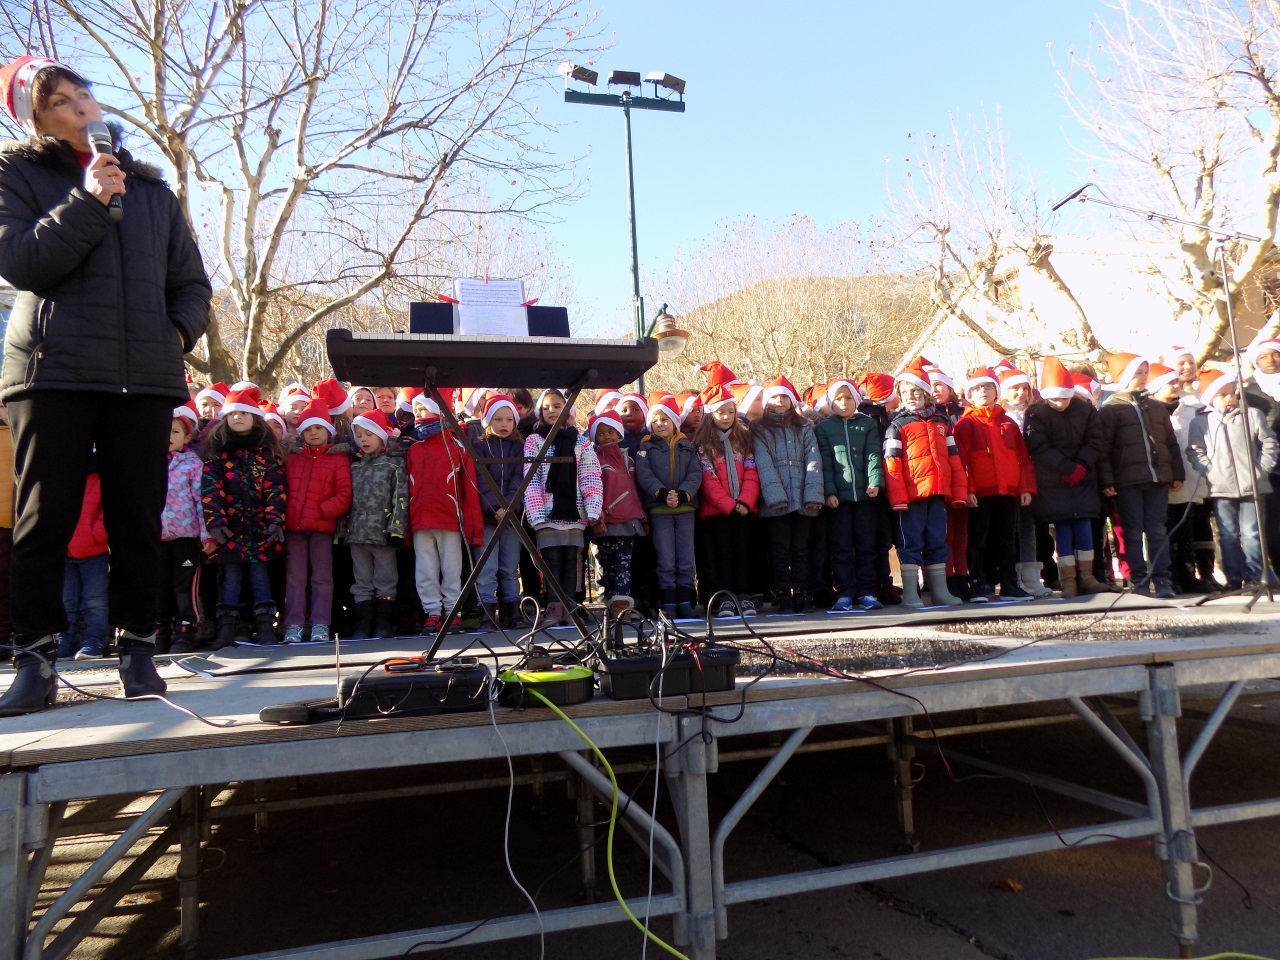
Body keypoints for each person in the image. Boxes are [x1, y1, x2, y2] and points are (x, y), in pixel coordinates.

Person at [0, 56, 212, 714]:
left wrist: (174, 336)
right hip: (52, 371)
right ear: (33, 119)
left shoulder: (151, 189)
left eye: (82, 95)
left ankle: (139, 653)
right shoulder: (17, 174)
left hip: (142, 379)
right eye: (58, 102)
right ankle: (36, 661)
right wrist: (90, 200)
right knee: (44, 519)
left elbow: (193, 285)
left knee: (137, 520)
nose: (79, 108)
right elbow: (23, 260)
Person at [201, 387, 286, 648]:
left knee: (261, 578)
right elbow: (210, 490)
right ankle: (226, 629)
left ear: (255, 418)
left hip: (259, 531)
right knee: (230, 579)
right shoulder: (216, 457)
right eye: (232, 414)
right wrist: (215, 522)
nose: (237, 417)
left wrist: (275, 520)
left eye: (243, 413)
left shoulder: (268, 456)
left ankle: (264, 628)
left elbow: (276, 488)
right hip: (230, 532)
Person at [1024, 357, 1114, 598]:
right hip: (1054, 481)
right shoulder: (1036, 414)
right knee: (1063, 528)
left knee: (1084, 526)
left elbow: (1095, 440)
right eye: (1054, 398)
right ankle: (1069, 580)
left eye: (1064, 398)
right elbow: (1038, 446)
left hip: (1083, 478)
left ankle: (1087, 576)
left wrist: (1081, 465)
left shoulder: (1085, 410)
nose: (1060, 403)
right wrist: (1064, 467)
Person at [884, 358, 968, 609]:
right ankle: (911, 592)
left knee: (937, 539)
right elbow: (892, 463)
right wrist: (898, 497)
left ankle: (940, 591)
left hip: (938, 493)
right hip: (911, 497)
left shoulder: (943, 424)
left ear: (927, 394)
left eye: (916, 392)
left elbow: (954, 459)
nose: (911, 396)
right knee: (910, 540)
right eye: (905, 392)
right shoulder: (897, 426)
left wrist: (959, 492)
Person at [1097, 352, 1183, 598]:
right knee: (1133, 532)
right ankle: (1139, 579)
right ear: (1124, 376)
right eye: (1137, 373)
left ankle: (1162, 579)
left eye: (1145, 373)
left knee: (1157, 529)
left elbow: (1170, 442)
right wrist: (1108, 480)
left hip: (1157, 478)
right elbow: (1104, 449)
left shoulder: (1156, 407)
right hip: (1127, 481)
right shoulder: (1112, 408)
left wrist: (1176, 472)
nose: (1143, 377)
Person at [1187, 369, 1280, 591]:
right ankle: (1234, 578)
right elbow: (1194, 450)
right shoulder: (1201, 422)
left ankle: (1255, 576)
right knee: (1228, 535)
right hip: (1221, 488)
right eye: (1223, 394)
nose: (1230, 398)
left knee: (1252, 532)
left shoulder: (1252, 415)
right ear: (1210, 397)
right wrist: (1209, 471)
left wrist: (1262, 469)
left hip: (1253, 486)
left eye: (1232, 393)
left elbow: (1269, 442)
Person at [954, 367, 1037, 599]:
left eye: (988, 387)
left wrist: (1025, 487)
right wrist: (967, 489)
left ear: (996, 391)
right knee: (978, 538)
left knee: (1007, 539)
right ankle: (979, 582)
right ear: (970, 393)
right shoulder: (965, 424)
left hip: (1007, 491)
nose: (983, 391)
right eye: (978, 388)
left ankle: (1010, 584)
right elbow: (961, 461)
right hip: (980, 491)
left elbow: (1022, 458)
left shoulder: (1008, 423)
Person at [406, 388, 483, 634]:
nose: (417, 412)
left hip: (451, 520)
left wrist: (472, 526)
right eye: (415, 409)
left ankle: (452, 611)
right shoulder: (414, 450)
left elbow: (469, 490)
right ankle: (432, 612)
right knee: (425, 569)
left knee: (452, 569)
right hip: (421, 519)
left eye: (423, 408)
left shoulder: (457, 447)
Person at [523, 388, 602, 626]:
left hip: (574, 513)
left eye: (557, 406)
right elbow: (531, 478)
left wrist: (592, 509)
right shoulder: (534, 441)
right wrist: (535, 513)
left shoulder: (582, 443)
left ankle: (570, 606)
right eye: (546, 407)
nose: (552, 411)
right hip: (547, 513)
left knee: (573, 561)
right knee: (551, 561)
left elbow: (590, 477)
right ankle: (554, 607)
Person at [751, 375, 824, 613]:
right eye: (774, 397)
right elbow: (763, 462)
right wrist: (774, 496)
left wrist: (813, 494)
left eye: (784, 397)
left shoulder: (803, 427)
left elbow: (813, 459)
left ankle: (801, 590)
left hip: (803, 494)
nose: (780, 401)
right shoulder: (759, 429)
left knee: (801, 547)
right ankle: (782, 591)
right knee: (780, 548)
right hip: (776, 499)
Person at [282, 399, 352, 643]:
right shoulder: (293, 458)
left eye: (318, 428)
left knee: (322, 577)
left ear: (328, 431)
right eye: (309, 429)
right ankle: (294, 624)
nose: (313, 433)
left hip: (322, 528)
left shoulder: (338, 459)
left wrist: (323, 510)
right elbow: (284, 489)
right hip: (294, 528)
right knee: (295, 578)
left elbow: (344, 495)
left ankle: (321, 623)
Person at [815, 379, 884, 612]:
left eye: (848, 398)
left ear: (856, 399)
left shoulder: (867, 424)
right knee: (841, 546)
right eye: (838, 399)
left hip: (865, 495)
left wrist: (875, 480)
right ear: (830, 402)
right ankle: (844, 592)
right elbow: (825, 462)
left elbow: (873, 454)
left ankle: (866, 591)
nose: (844, 403)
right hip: (839, 500)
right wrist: (830, 492)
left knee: (866, 545)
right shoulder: (824, 428)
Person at [693, 384, 761, 617]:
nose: (726, 417)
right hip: (718, 512)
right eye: (721, 412)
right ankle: (724, 598)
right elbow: (708, 479)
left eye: (731, 412)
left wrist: (745, 501)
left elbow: (752, 472)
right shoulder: (703, 445)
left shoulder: (743, 439)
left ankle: (742, 596)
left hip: (743, 509)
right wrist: (729, 505)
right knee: (721, 555)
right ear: (712, 414)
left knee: (741, 553)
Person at [341, 409, 408, 639]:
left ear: (381, 435)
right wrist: (342, 530)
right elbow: (346, 500)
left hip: (383, 534)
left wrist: (397, 528)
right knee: (361, 580)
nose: (364, 439)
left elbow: (400, 497)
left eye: (369, 434)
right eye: (359, 435)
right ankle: (363, 624)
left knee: (386, 579)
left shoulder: (393, 465)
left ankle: (383, 624)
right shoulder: (354, 467)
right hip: (357, 534)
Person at [635, 395, 702, 619]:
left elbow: (695, 473)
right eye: (655, 420)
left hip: (685, 508)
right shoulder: (646, 448)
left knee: (685, 557)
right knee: (665, 558)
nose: (660, 424)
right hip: (660, 509)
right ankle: (669, 602)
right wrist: (662, 493)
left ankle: (685, 600)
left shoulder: (688, 447)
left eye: (665, 419)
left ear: (674, 421)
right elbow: (644, 475)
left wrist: (683, 494)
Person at [1150, 363, 1213, 593]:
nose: (1175, 385)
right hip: (1161, 479)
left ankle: (1187, 575)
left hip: (1186, 477)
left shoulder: (1189, 409)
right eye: (1169, 382)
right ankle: (1168, 576)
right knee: (1165, 531)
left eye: (1176, 382)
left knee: (1184, 529)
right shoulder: (1150, 410)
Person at [469, 394, 526, 629]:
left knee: (510, 566)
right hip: (488, 517)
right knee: (487, 566)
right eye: (498, 419)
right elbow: (480, 480)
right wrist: (495, 508)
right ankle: (487, 611)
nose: (504, 424)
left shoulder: (519, 447)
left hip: (511, 517)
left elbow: (520, 480)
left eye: (509, 420)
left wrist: (509, 507)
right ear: (488, 421)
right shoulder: (479, 447)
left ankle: (512, 610)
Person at [159, 402, 208, 654]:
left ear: (187, 437)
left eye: (175, 432)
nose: (168, 436)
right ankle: (160, 630)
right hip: (157, 537)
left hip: (186, 536)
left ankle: (185, 629)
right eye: (164, 430)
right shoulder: (148, 464)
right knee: (159, 584)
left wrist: (205, 534)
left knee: (184, 585)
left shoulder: (192, 465)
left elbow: (201, 500)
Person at [589, 411, 647, 618]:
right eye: (601, 433)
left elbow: (636, 491)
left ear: (619, 433)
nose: (606, 437)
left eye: (610, 432)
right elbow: (594, 489)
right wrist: (597, 518)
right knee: (609, 566)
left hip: (629, 522)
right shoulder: (595, 459)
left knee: (624, 566)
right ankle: (611, 604)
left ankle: (620, 608)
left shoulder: (629, 460)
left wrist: (643, 518)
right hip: (607, 523)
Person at [56, 464, 109, 660]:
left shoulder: (99, 477)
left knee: (95, 601)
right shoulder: (58, 474)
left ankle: (94, 640)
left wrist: (96, 534)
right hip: (65, 549)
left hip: (94, 550)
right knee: (66, 601)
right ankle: (65, 639)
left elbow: (108, 508)